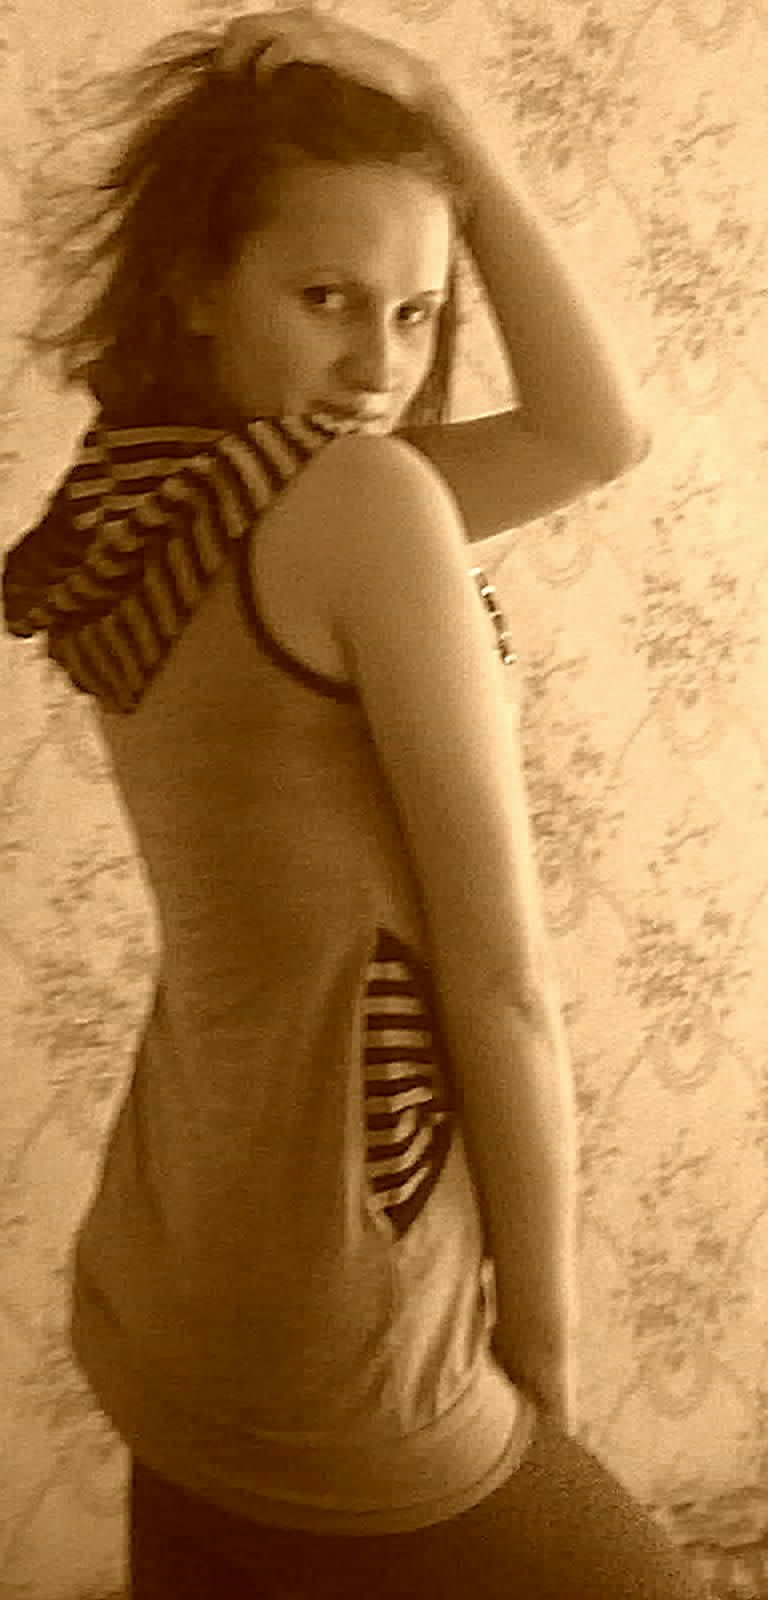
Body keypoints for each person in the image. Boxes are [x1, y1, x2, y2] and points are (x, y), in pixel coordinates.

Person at [2, 9, 706, 1597]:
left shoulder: (145, 495)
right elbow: (503, 991)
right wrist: (544, 1359)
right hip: (341, 1314)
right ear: (196, 284)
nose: (380, 366)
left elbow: (589, 439)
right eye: (324, 298)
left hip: (165, 1270)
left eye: (415, 312)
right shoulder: (356, 500)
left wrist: (445, 126)